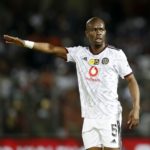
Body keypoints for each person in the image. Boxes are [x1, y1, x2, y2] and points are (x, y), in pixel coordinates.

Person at [3, 17, 140, 150]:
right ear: (87, 33)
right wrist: (25, 43)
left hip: (109, 115)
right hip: (89, 118)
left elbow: (131, 80)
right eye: (94, 29)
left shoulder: (116, 55)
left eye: (101, 29)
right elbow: (52, 48)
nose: (98, 32)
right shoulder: (79, 53)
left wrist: (136, 108)